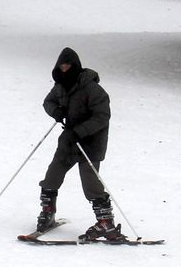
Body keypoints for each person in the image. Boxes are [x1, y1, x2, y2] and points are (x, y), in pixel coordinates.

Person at [35, 47, 122, 241]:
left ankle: (105, 223)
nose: (64, 69)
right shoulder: (60, 86)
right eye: (61, 66)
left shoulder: (92, 88)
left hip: (91, 142)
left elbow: (102, 116)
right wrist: (56, 112)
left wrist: (80, 131)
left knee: (91, 183)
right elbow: (48, 102)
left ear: (75, 66)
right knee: (52, 176)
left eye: (67, 65)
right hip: (69, 140)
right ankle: (48, 212)